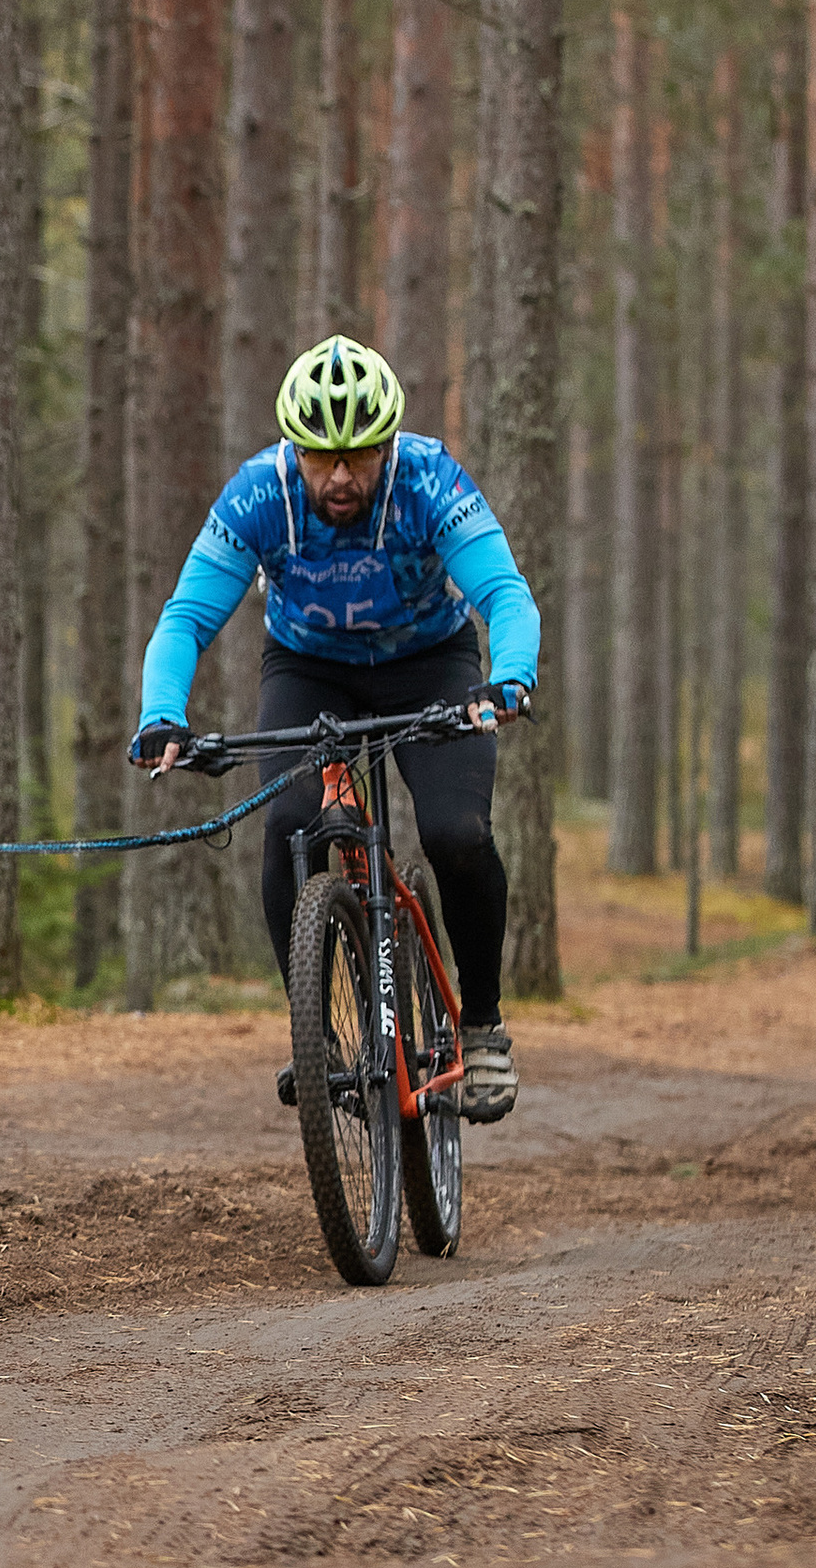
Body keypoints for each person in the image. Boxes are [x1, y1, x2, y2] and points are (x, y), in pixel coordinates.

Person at [127, 336, 537, 1122]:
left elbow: (505, 593)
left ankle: (481, 1024)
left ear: (388, 446)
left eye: (359, 456)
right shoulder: (258, 495)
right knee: (292, 822)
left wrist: (509, 677)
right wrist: (162, 714)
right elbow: (184, 618)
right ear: (295, 449)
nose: (341, 477)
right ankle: (314, 1030)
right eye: (322, 458)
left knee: (455, 832)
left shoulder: (429, 480)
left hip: (431, 665)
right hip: (310, 670)